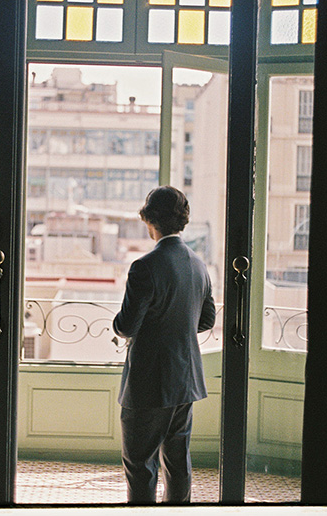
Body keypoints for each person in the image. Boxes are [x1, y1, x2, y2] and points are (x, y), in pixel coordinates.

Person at [112, 185, 217, 504]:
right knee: (178, 460)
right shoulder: (198, 264)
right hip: (185, 379)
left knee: (140, 464)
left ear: (149, 220)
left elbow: (126, 325)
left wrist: (118, 324)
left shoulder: (144, 266)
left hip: (149, 381)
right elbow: (207, 320)